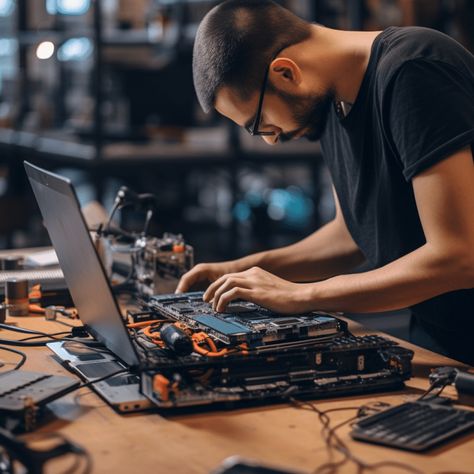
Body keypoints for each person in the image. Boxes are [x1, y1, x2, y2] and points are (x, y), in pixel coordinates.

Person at [177, 0, 474, 364]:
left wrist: (303, 295)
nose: (271, 139)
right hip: (438, 339)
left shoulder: (413, 69)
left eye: (260, 124)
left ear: (285, 73)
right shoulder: (334, 101)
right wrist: (240, 272)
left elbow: (459, 257)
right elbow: (350, 235)